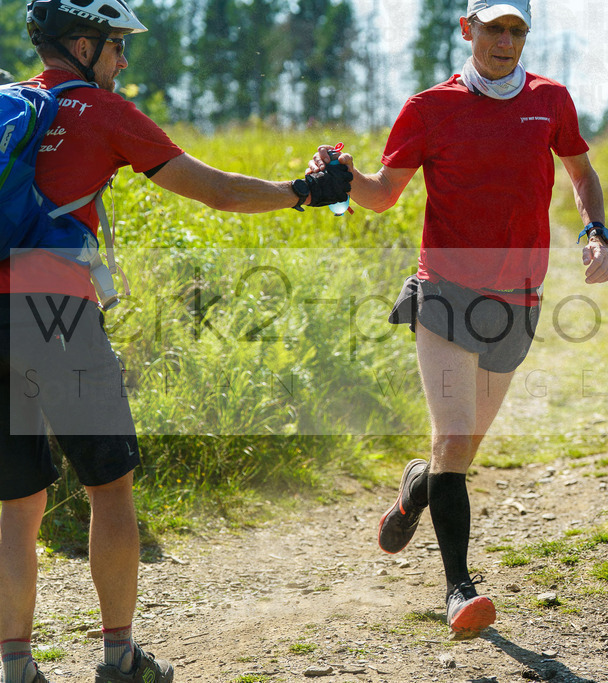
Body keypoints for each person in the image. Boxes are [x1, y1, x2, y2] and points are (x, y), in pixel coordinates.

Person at [0, 2, 353, 682]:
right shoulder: (103, 113)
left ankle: (16, 667)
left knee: (16, 506)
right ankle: (119, 657)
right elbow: (217, 191)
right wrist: (307, 190)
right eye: (115, 48)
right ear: (81, 44)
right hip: (56, 313)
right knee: (110, 485)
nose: (123, 62)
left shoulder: (10, 105)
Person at [309, 0, 608, 641]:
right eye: (493, 28)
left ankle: (417, 488)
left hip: (519, 298)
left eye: (516, 30)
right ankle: (459, 590)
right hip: (444, 293)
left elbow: (581, 172)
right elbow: (383, 194)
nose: (505, 41)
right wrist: (342, 179)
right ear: (467, 28)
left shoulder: (551, 100)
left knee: (461, 451)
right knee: (453, 438)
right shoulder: (428, 109)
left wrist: (595, 231)